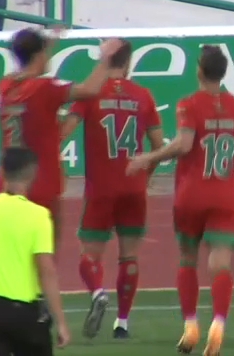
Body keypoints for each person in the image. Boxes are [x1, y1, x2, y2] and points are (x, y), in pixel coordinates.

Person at [128, 45, 234, 356]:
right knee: (220, 263)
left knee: (187, 259)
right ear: (222, 73)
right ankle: (219, 323)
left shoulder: (189, 105)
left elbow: (183, 144)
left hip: (191, 194)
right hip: (224, 194)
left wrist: (149, 157)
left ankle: (191, 324)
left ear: (199, 70)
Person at [58, 39, 165, 340]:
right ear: (129, 62)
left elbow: (63, 133)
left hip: (101, 189)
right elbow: (158, 145)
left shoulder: (91, 94)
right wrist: (147, 175)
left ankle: (97, 293)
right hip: (133, 187)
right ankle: (123, 323)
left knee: (89, 254)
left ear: (106, 60)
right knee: (129, 257)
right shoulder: (143, 96)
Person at [0, 29, 122, 243]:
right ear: (40, 55)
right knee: (44, 251)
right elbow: (90, 89)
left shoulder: (5, 86)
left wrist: (47, 42)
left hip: (7, 180)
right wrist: (106, 57)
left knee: (13, 248)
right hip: (40, 181)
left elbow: (28, 65)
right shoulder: (46, 88)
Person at [0, 147, 70, 355]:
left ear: (2, 171)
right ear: (33, 173)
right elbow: (46, 271)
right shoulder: (38, 216)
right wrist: (61, 322)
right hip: (25, 313)